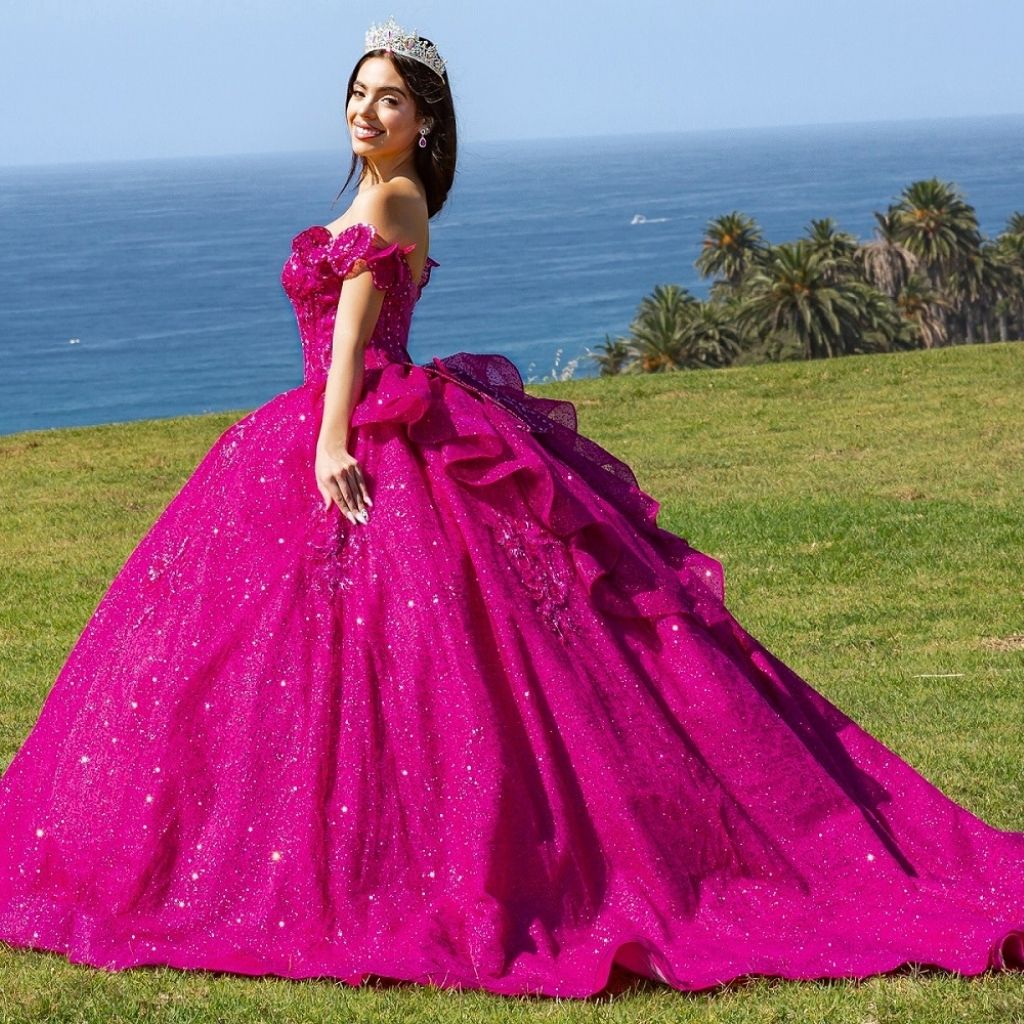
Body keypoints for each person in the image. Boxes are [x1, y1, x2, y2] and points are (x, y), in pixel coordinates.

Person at [1, 15, 1022, 1002]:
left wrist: (327, 439)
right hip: (329, 420)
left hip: (354, 423)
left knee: (429, 650)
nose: (366, 110)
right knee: (271, 653)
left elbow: (356, 321)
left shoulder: (396, 200)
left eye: (388, 99)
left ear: (423, 121)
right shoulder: (374, 191)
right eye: (357, 94)